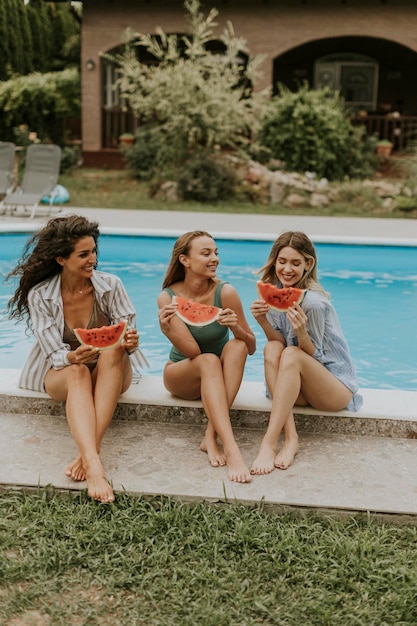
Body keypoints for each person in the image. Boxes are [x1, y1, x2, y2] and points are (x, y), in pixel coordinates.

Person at [6, 214, 147, 504]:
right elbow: (54, 354)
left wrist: (130, 342)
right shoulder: (41, 295)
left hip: (113, 370)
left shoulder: (111, 284)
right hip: (63, 373)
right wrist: (73, 355)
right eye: (83, 254)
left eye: (94, 251)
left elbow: (127, 333)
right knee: (77, 371)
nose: (92, 259)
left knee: (114, 348)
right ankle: (95, 464)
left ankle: (88, 455)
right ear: (61, 259)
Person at [250, 231, 363, 475]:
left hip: (333, 389)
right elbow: (277, 345)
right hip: (297, 387)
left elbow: (315, 357)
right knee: (272, 347)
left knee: (291, 353)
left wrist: (302, 333)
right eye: (282, 261)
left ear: (308, 264)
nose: (287, 269)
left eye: (295, 263)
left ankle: (268, 443)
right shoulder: (275, 294)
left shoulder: (314, 303)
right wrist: (263, 321)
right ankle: (291, 438)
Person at [157, 230, 256, 483]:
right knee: (209, 359)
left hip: (217, 378)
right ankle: (232, 449)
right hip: (183, 374)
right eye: (206, 253)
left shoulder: (226, 292)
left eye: (215, 253)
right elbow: (192, 352)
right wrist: (167, 330)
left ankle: (210, 436)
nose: (214, 259)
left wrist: (235, 328)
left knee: (238, 347)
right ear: (185, 260)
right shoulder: (168, 298)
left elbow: (252, 346)